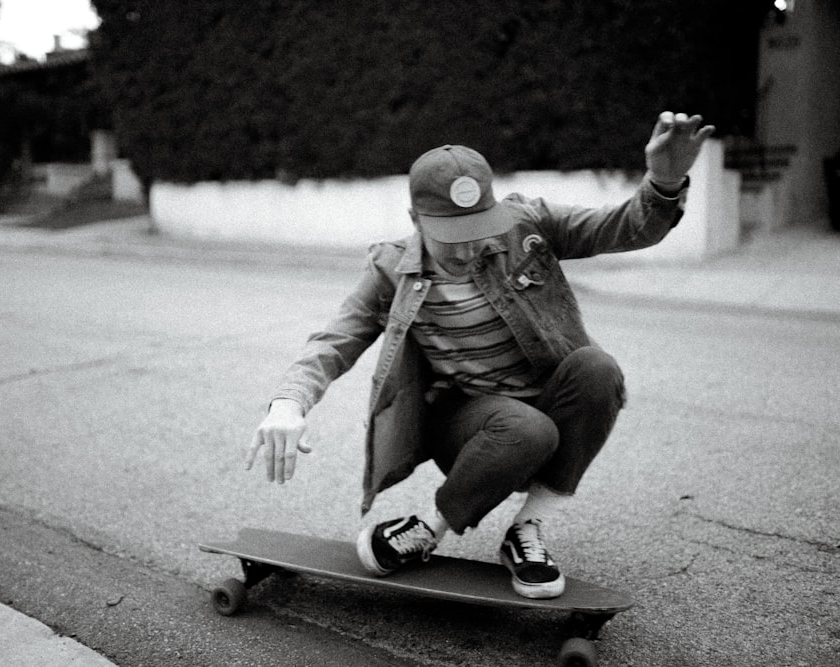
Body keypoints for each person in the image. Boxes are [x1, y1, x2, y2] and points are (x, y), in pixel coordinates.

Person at [246, 111, 715, 599]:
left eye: (478, 228)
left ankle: (526, 530)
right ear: (415, 221)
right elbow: (333, 341)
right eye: (452, 237)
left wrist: (663, 181)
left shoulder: (526, 223)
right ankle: (427, 529)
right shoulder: (390, 270)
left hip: (545, 404)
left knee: (598, 370)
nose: (470, 248)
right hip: (468, 426)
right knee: (524, 427)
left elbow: (621, 228)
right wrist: (288, 404)